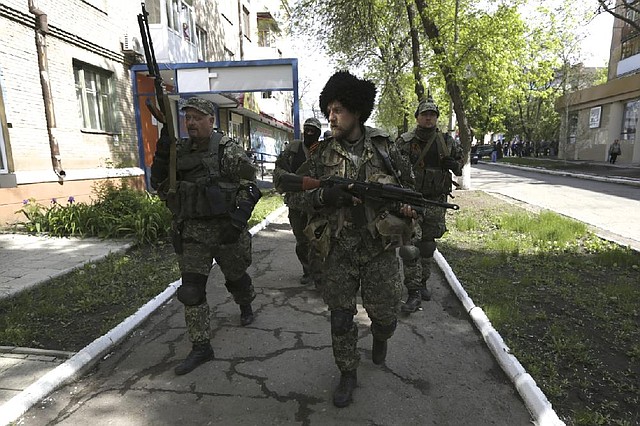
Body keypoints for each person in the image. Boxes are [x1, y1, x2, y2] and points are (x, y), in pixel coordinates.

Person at [302, 71, 417, 408]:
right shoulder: (321, 154)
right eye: (329, 110)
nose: (332, 117)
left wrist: (409, 208)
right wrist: (326, 198)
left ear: (356, 111)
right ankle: (347, 372)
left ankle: (381, 336)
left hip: (378, 248)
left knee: (384, 316)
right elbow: (295, 195)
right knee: (340, 317)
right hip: (338, 249)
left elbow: (409, 189)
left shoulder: (384, 147)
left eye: (338, 110)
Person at [150, 97, 261, 376]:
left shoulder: (227, 151)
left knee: (236, 277)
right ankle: (201, 347)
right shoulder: (180, 151)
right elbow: (159, 183)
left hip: (226, 230)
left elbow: (251, 186)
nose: (191, 123)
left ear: (211, 121)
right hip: (194, 231)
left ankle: (245, 302)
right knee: (191, 290)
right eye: (188, 118)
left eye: (198, 117)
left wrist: (236, 222)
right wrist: (164, 146)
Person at [395, 97, 463, 313]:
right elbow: (392, 169)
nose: (428, 118)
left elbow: (461, 164)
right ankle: (413, 291)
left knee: (427, 245)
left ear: (436, 118)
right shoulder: (404, 141)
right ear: (417, 117)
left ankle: (423, 283)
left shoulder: (447, 141)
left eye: (432, 114)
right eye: (424, 114)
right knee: (409, 246)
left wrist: (455, 165)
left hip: (436, 201)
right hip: (412, 199)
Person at [273, 117, 323, 285]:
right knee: (302, 240)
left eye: (313, 131)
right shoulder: (293, 148)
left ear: (318, 133)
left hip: (317, 203)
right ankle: (307, 270)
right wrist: (290, 180)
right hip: (296, 202)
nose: (309, 133)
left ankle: (319, 273)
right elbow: (279, 169)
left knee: (318, 239)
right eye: (307, 130)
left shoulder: (323, 150)